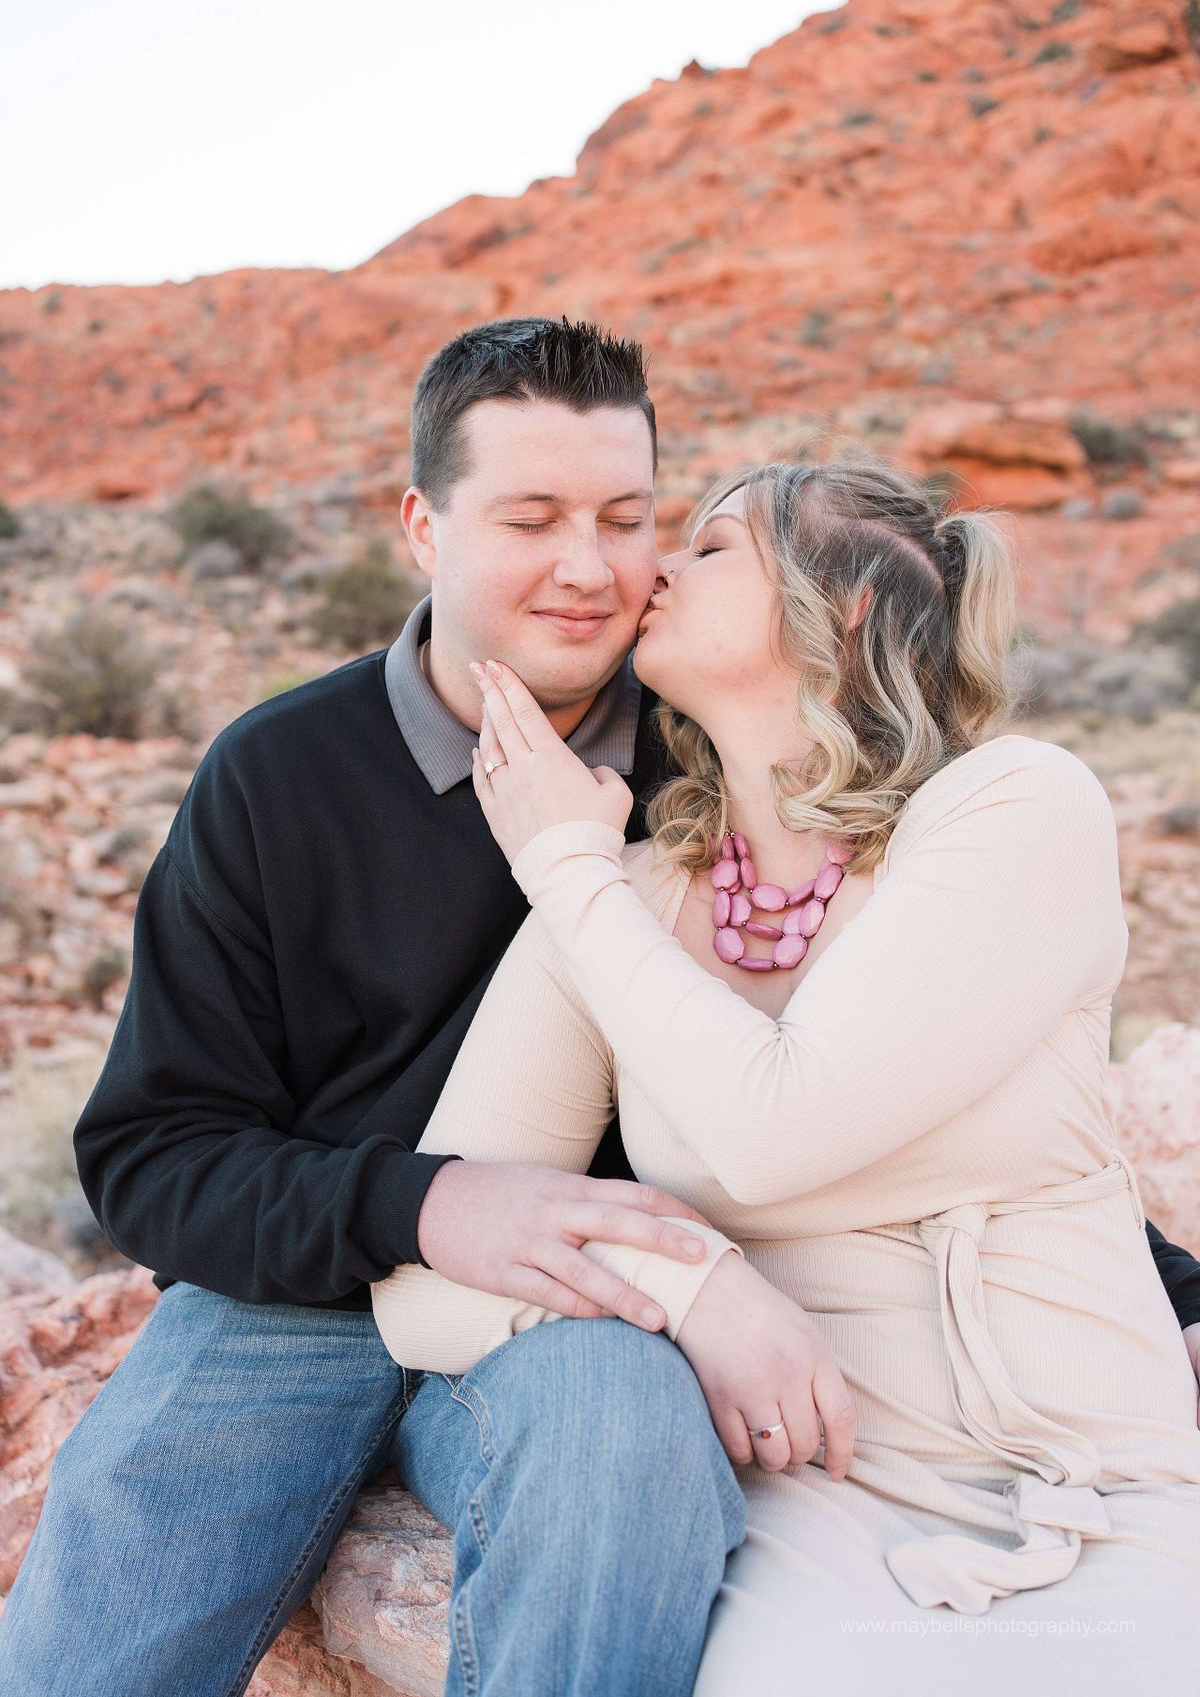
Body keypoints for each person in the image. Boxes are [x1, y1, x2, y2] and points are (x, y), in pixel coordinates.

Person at [0, 319, 1194, 1697]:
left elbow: (905, 1045)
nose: (595, 567)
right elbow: (154, 1154)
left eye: (632, 520)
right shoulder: (280, 774)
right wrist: (433, 1206)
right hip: (310, 1281)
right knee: (115, 1596)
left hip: (597, 1306)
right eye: (530, 517)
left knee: (618, 1445)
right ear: (420, 527)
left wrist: (1153, 1286)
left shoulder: (716, 744)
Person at [370, 455, 1200, 1692]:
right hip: (815, 1518)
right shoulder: (622, 898)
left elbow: (777, 1126)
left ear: (847, 605)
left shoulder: (1014, 809)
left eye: (709, 549)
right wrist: (691, 1293)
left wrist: (562, 865)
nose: (652, 570)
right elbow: (428, 1280)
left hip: (1107, 1487)